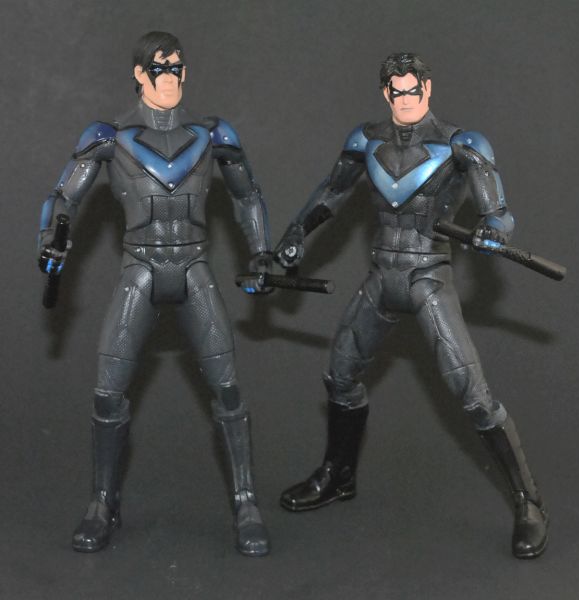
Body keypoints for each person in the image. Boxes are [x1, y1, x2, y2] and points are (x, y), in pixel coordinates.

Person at [275, 52, 548, 558]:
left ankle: (528, 502)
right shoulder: (366, 139)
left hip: (428, 277)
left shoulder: (462, 144)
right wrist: (295, 234)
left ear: (428, 88)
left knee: (474, 396)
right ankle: (338, 474)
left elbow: (499, 211)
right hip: (383, 274)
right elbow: (331, 193)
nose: (405, 100)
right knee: (340, 376)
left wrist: (492, 230)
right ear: (386, 93)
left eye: (413, 90)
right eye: (396, 92)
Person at [38, 31, 271, 557]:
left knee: (228, 389)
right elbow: (63, 196)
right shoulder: (110, 136)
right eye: (159, 68)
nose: (170, 77)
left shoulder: (211, 133)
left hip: (193, 266)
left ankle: (245, 500)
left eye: (176, 67)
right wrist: (52, 239)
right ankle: (103, 501)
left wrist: (261, 252)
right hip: (140, 267)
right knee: (108, 392)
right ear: (140, 74)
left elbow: (248, 195)